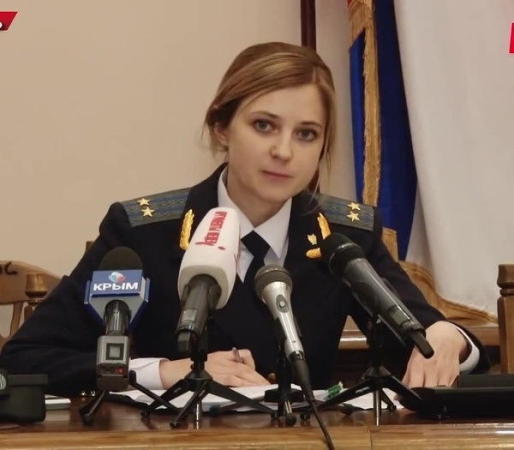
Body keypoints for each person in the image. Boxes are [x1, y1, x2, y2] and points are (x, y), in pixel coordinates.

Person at [0, 42, 488, 396]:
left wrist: (450, 340)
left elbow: (430, 342)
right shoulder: (143, 233)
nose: (283, 151)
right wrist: (161, 372)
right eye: (264, 125)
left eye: (306, 134)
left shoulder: (343, 235)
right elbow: (27, 359)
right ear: (221, 127)